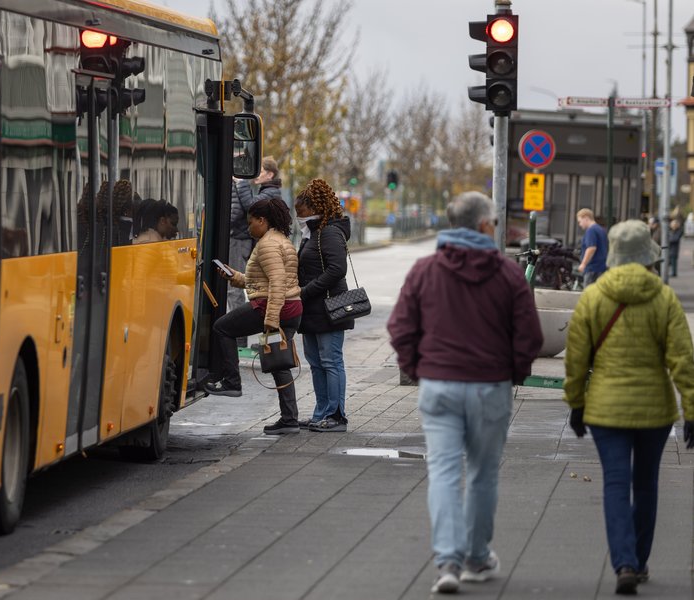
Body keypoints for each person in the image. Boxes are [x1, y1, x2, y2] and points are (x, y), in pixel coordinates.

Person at [388, 191, 543, 594]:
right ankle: (477, 556)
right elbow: (529, 336)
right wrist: (514, 373)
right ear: (484, 226)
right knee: (482, 473)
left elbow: (400, 328)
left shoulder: (425, 270)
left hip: (439, 385)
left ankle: (448, 563)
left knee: (442, 471)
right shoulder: (508, 274)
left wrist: (418, 368)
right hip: (490, 386)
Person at [563, 219, 694, 595]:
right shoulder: (664, 297)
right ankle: (638, 560)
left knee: (616, 483)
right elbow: (683, 360)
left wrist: (576, 403)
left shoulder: (594, 296)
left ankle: (623, 562)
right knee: (646, 484)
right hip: (654, 411)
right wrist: (692, 411)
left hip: (605, 410)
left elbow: (576, 358)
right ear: (648, 255)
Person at [206, 197, 302, 435]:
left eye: (251, 223)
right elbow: (262, 281)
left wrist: (270, 320)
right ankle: (289, 419)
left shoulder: (268, 244)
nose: (248, 228)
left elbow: (277, 282)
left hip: (272, 307)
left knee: (222, 328)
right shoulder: (281, 240)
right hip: (291, 308)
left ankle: (231, 381)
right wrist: (234, 277)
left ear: (262, 220)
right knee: (280, 364)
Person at [294, 179, 353, 432]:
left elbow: (337, 269)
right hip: (312, 308)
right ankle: (321, 413)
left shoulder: (328, 232)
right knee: (317, 363)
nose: (297, 217)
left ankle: (336, 416)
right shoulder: (313, 232)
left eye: (300, 212)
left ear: (313, 207)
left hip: (329, 307)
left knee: (330, 361)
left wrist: (306, 290)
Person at [227, 157, 282, 347]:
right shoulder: (268, 191)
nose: (255, 174)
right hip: (257, 245)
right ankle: (270, 343)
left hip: (252, 244)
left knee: (249, 292)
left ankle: (263, 343)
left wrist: (241, 183)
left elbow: (251, 205)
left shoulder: (269, 193)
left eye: (259, 170)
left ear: (270, 174)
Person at [577, 208, 608, 287]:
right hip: (602, 267)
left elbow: (591, 248)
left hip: (593, 269)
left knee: (588, 294)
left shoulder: (591, 230)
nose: (580, 224)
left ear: (586, 218)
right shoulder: (601, 230)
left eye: (580, 221)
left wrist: (583, 264)